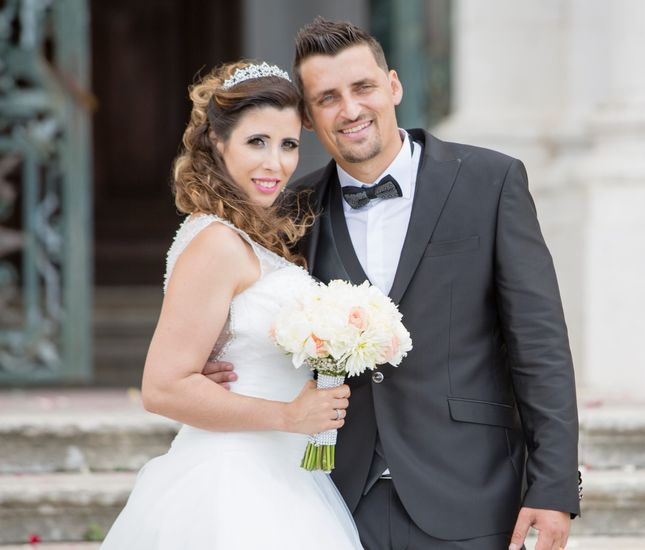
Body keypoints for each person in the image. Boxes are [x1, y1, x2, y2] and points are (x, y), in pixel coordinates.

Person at [204, 18, 581, 550]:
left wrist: (555, 486)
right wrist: (219, 360)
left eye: (363, 88)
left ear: (394, 86)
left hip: (470, 491)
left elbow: (540, 346)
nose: (350, 110)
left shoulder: (490, 182)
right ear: (309, 118)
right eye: (327, 98)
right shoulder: (289, 211)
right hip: (331, 498)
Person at [101, 60, 363, 549]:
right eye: (256, 142)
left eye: (288, 145)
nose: (276, 164)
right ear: (218, 143)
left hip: (281, 471)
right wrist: (289, 416)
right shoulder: (217, 243)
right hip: (233, 479)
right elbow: (162, 388)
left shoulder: (250, 238)